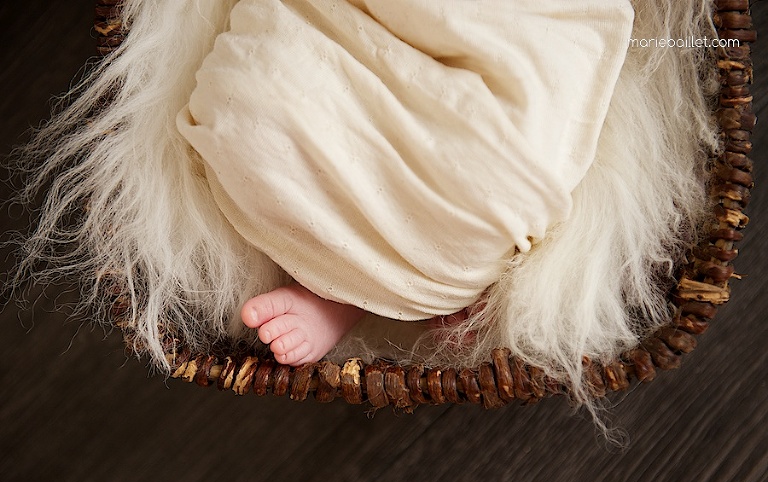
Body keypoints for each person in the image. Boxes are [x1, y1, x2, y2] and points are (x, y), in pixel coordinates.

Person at [16, 0, 719, 405]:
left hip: (475, 117)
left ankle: (365, 285)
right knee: (278, 96)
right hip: (296, 97)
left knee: (490, 151)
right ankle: (356, 284)